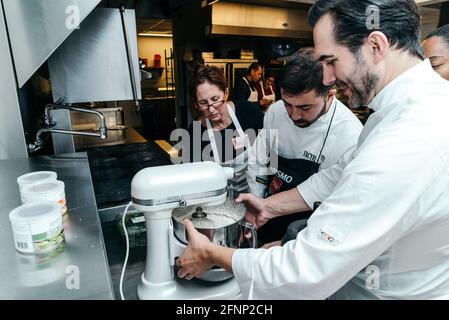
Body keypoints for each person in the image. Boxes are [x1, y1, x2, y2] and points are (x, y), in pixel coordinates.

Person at [176, 0, 449, 300]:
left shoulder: (407, 138)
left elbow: (304, 271)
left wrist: (214, 255)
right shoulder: (406, 109)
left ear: (376, 45)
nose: (328, 78)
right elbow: (340, 174)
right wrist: (270, 206)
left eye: (331, 61)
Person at [247, 48, 363, 246]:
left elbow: (337, 207)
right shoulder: (276, 112)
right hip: (268, 212)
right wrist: (257, 201)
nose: (294, 116)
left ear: (330, 96)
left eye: (305, 108)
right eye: (288, 104)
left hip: (309, 230)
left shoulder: (349, 135)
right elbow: (260, 161)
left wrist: (288, 244)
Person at [182, 64, 264, 196]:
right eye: (203, 103)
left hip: (256, 196)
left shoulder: (249, 112)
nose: (212, 109)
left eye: (215, 99)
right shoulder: (195, 133)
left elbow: (270, 156)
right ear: (196, 104)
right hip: (220, 203)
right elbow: (193, 181)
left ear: (226, 93)